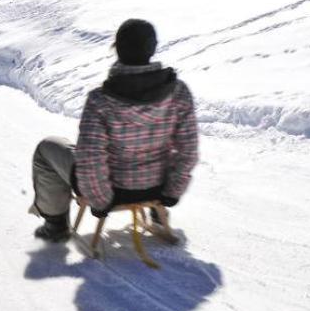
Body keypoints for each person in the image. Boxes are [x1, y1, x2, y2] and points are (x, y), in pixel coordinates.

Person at [28, 18, 199, 242]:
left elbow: (90, 158)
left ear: (117, 48)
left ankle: (56, 223)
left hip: (114, 191)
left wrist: (100, 201)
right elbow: (188, 149)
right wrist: (171, 192)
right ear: (153, 48)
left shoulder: (101, 100)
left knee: (46, 148)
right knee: (157, 146)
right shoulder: (178, 92)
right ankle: (157, 213)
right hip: (159, 187)